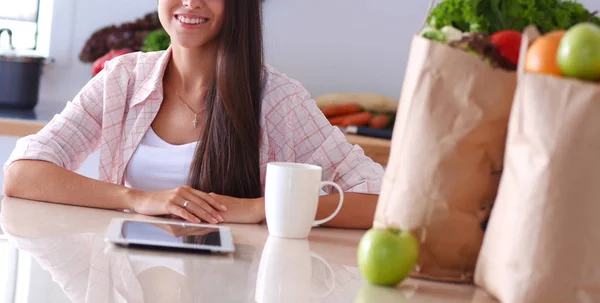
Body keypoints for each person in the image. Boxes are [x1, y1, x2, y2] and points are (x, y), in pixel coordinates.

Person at [2, 0, 384, 229]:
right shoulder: (122, 79)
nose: (190, 1)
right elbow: (22, 173)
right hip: (124, 278)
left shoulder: (278, 99)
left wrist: (257, 210)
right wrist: (137, 199)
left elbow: (381, 201)